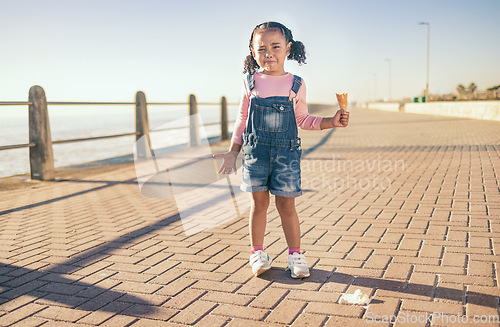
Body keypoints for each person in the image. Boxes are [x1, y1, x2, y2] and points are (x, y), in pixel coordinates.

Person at [213, 21, 349, 278]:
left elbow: (303, 120)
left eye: (275, 46)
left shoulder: (296, 83)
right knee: (258, 204)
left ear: (288, 49)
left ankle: (295, 255)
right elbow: (242, 120)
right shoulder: (249, 81)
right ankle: (257, 253)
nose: (269, 53)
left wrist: (331, 121)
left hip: (286, 154)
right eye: (261, 48)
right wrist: (233, 151)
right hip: (255, 155)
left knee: (287, 206)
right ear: (253, 53)